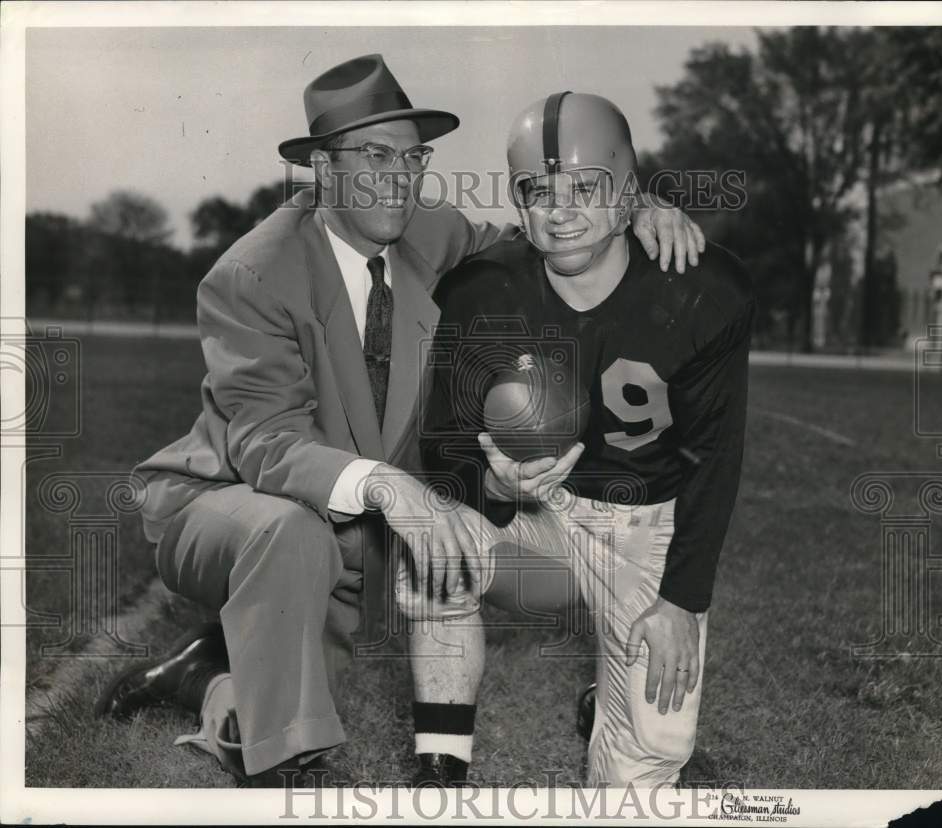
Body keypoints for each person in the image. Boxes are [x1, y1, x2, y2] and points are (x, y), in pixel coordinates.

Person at [93, 55, 705, 786]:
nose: (399, 177)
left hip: (357, 524)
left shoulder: (429, 231)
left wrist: (632, 211)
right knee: (294, 551)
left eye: (412, 157)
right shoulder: (252, 275)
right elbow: (266, 442)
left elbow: (539, 244)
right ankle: (285, 768)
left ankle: (211, 670)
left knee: (554, 573)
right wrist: (390, 487)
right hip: (233, 505)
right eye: (374, 156)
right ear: (322, 167)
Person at [410, 91, 754, 787]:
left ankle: (612, 698)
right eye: (538, 190)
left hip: (643, 526)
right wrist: (493, 485)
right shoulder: (484, 294)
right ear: (518, 201)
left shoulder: (698, 291)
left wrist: (682, 601)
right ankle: (440, 765)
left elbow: (716, 457)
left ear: (628, 196)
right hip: (536, 521)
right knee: (429, 541)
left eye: (585, 188)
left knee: (636, 785)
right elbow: (441, 449)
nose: (559, 209)